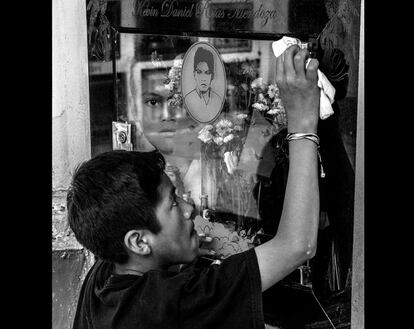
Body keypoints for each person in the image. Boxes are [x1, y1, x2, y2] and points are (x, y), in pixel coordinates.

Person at [68, 45, 321, 329]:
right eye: (173, 203)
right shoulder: (176, 302)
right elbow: (299, 245)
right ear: (138, 242)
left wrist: (184, 247)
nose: (190, 208)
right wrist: (302, 122)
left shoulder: (102, 279)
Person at [183, 46, 223, 122]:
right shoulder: (188, 99)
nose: (203, 78)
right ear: (194, 74)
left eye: (207, 73)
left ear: (212, 76)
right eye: (199, 72)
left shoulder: (217, 98)